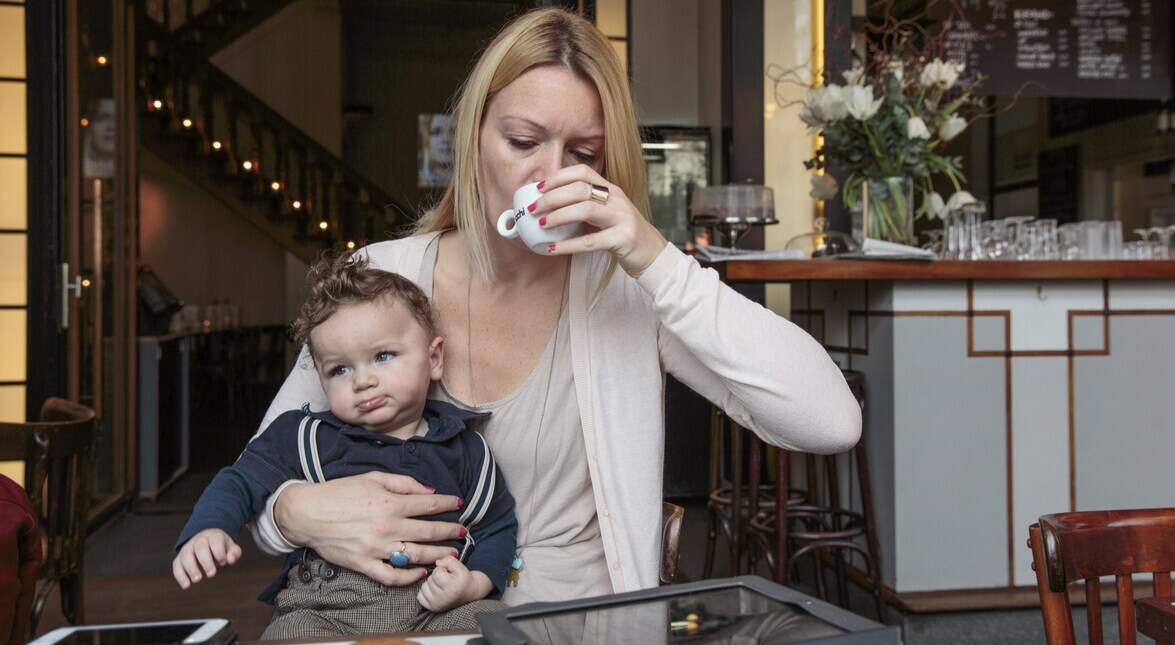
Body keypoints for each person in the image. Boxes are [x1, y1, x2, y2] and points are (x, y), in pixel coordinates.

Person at [246, 6, 861, 612]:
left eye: (583, 153)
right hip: (410, 633)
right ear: (474, 136)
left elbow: (831, 423)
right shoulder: (381, 277)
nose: (549, 175)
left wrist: (657, 258)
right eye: (522, 141)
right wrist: (291, 513)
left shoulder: (629, 290)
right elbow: (262, 480)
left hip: (579, 630)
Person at [172, 252, 516, 639]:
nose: (362, 380)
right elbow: (238, 481)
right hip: (325, 607)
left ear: (434, 358)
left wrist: (474, 584)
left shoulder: (465, 448)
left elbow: (497, 527)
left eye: (383, 356)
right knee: (285, 642)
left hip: (435, 608)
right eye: (340, 369)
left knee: (489, 628)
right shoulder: (303, 437)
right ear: (320, 379)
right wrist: (209, 528)